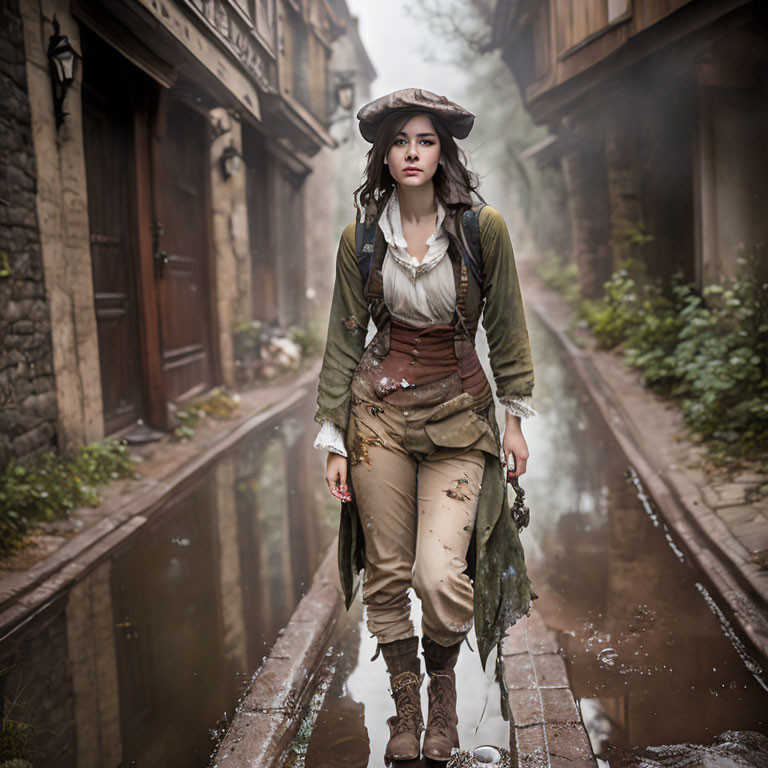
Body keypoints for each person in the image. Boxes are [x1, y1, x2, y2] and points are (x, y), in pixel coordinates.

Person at [314, 88, 536, 762]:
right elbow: (343, 341)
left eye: (426, 140)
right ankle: (406, 714)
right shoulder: (360, 239)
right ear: (382, 155)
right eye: (399, 142)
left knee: (440, 576)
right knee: (386, 573)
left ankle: (444, 696)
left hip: (460, 420)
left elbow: (507, 329)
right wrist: (333, 438)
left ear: (444, 153)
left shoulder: (480, 228)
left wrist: (515, 417)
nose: (412, 153)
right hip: (377, 420)